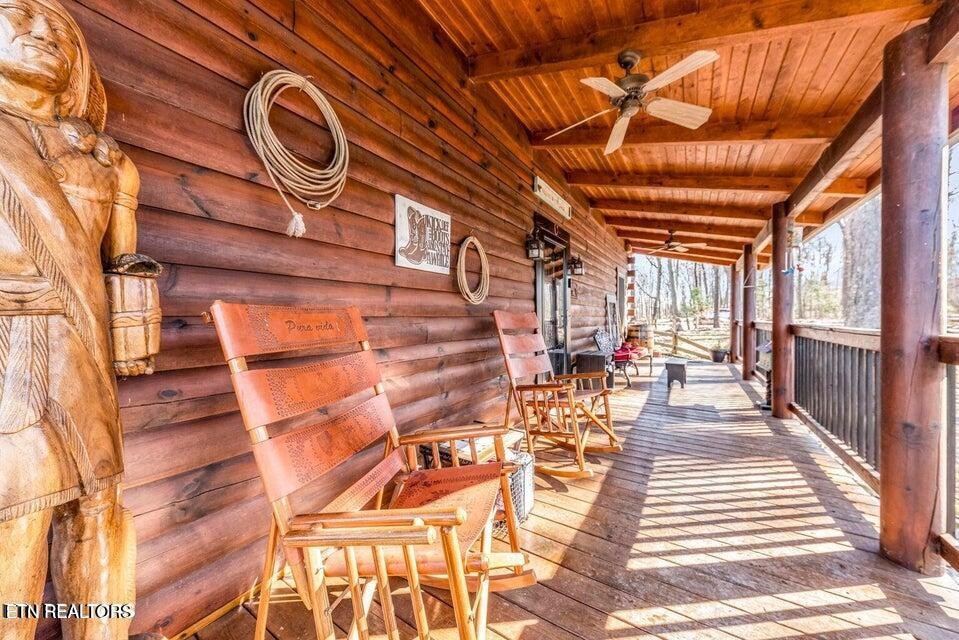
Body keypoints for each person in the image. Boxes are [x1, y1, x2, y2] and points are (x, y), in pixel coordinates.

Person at [0, 1, 160, 638]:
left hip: (85, 355)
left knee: (98, 512)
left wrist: (134, 331)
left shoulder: (109, 162)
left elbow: (125, 267)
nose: (41, 32)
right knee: (15, 521)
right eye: (20, 14)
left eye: (61, 30)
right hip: (12, 357)